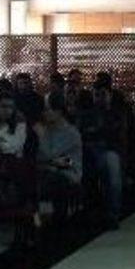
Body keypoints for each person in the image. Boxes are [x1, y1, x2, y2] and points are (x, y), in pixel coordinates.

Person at [80, 82, 128, 227]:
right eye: (96, 95)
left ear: (110, 95)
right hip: (89, 150)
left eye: (103, 94)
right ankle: (91, 212)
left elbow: (116, 136)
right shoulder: (87, 114)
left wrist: (96, 132)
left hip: (111, 149)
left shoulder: (118, 114)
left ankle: (113, 214)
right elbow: (82, 134)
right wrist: (98, 132)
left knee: (112, 172)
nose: (99, 98)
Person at [36, 91, 83, 222]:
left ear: (58, 111)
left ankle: (49, 222)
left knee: (49, 181)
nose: (44, 113)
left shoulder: (70, 132)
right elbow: (40, 157)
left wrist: (41, 135)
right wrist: (51, 161)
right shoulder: (48, 129)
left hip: (68, 173)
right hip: (49, 170)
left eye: (47, 109)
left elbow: (49, 155)